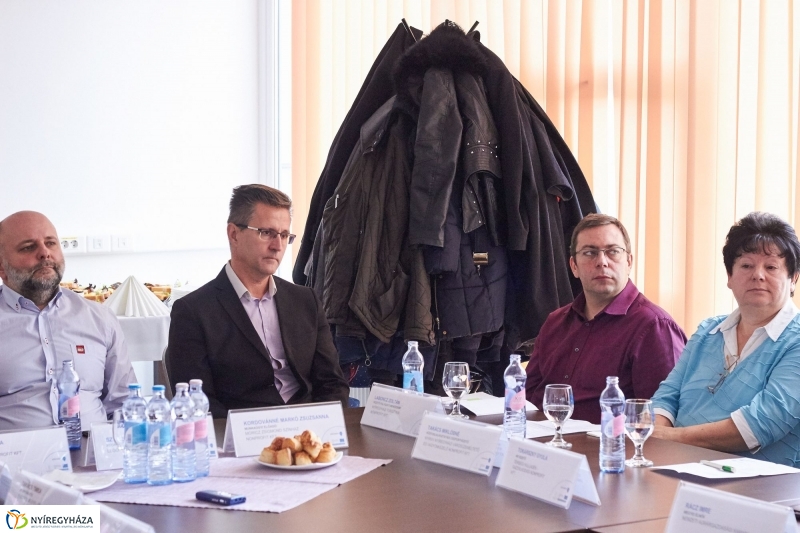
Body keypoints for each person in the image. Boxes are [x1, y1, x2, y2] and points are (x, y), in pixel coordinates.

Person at [168, 184, 349, 418]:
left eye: (284, 235)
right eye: (266, 233)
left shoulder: (306, 301)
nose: (277, 246)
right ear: (234, 234)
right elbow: (198, 404)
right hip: (241, 432)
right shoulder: (193, 311)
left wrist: (320, 427)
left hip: (306, 428)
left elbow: (333, 383)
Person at [652, 212, 800, 466]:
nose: (758, 275)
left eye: (771, 267)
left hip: (761, 483)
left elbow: (761, 423)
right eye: (746, 265)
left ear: (793, 278)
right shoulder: (707, 331)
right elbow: (666, 396)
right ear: (730, 277)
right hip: (678, 467)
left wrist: (668, 438)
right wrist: (656, 438)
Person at [525, 214, 686, 423]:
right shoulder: (555, 322)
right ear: (574, 266)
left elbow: (662, 418)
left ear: (629, 261)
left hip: (609, 442)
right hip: (544, 438)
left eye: (613, 251)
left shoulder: (655, 327)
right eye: (590, 253)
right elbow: (528, 397)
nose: (602, 262)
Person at [0, 211, 136, 431]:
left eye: (51, 243)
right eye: (28, 247)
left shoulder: (99, 318)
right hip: (14, 451)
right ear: (1, 266)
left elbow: (124, 404)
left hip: (91, 448)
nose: (44, 253)